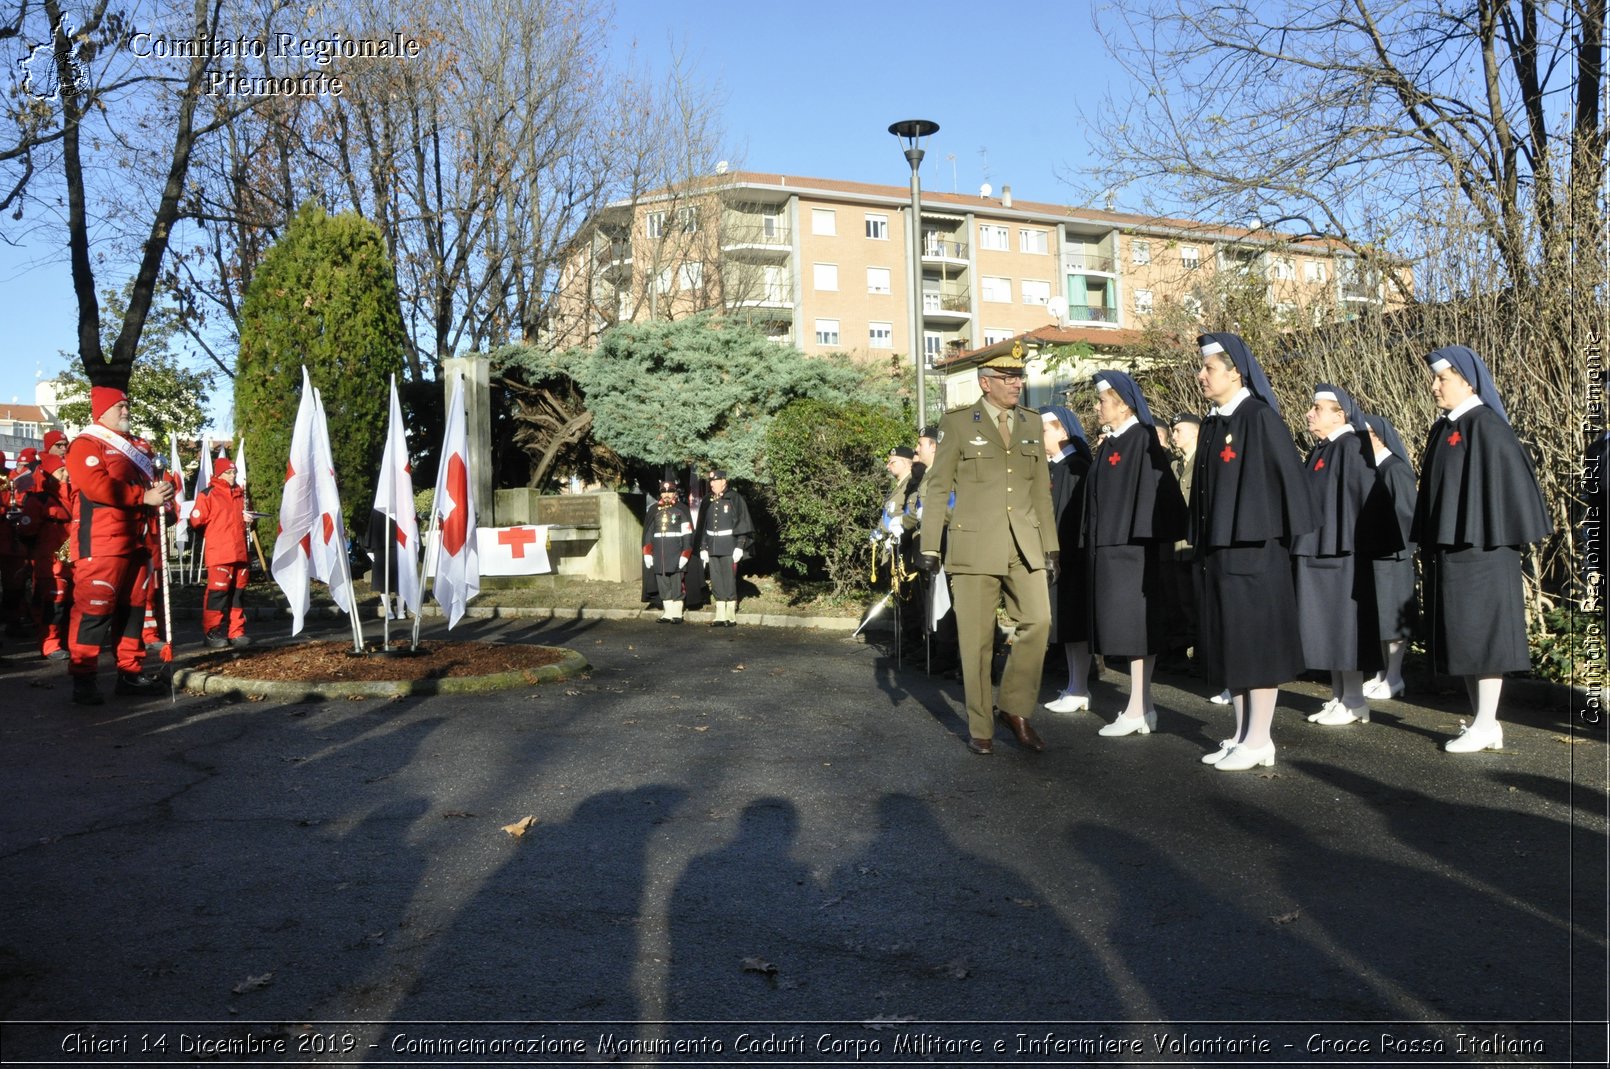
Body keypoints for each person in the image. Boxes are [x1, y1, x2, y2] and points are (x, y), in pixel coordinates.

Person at [917, 347, 1059, 755]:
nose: (1018, 383)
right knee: (976, 641)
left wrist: (1051, 548)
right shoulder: (958, 424)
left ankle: (1014, 708)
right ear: (986, 382)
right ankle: (981, 725)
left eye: (1020, 376)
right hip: (974, 544)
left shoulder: (1031, 423)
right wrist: (930, 544)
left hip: (1024, 543)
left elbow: (1040, 494)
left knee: (1038, 622)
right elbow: (939, 486)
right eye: (1008, 376)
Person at [1412, 345, 1551, 753]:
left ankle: (1487, 722)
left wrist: (1483, 531)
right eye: (1435, 378)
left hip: (1484, 549)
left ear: (1468, 381)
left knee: (1484, 637)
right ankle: (1482, 722)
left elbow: (1507, 489)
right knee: (1465, 637)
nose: (1434, 386)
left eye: (1443, 379)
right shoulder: (1446, 426)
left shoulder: (1486, 424)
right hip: (1457, 550)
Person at [1190, 334, 1317, 771]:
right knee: (1233, 645)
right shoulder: (1214, 422)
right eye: (1202, 367)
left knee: (1257, 646)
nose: (1201, 375)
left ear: (1235, 372)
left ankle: (1260, 738)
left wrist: (1270, 536)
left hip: (1256, 553)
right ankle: (1242, 733)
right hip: (1223, 552)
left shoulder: (1259, 417)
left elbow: (1290, 484)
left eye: (1209, 369)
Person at [1084, 371, 1188, 737]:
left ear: (1124, 404)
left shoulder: (1140, 438)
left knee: (1136, 631)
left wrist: (1140, 539)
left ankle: (1138, 708)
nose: (1098, 407)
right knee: (1125, 631)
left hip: (1133, 551)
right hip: (1113, 549)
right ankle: (1142, 708)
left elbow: (1160, 496)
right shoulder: (1113, 441)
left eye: (1102, 401)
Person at [63, 386, 175, 704]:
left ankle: (129, 673)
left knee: (133, 611)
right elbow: (97, 486)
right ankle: (83, 679)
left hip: (136, 540)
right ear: (101, 412)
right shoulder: (86, 443)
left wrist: (160, 489)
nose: (126, 411)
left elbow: (141, 485)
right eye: (119, 407)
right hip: (101, 544)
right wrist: (144, 496)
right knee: (93, 612)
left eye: (127, 406)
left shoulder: (132, 447)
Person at [1293, 384, 1383, 727]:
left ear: (1340, 414)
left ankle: (1355, 699)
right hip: (1319, 549)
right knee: (1327, 627)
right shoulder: (1322, 449)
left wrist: (1351, 543)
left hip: (1342, 553)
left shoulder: (1351, 445)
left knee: (1344, 627)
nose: (1309, 413)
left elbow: (1363, 500)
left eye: (1318, 408)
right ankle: (1339, 696)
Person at [1360, 412, 1417, 700]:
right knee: (1380, 619)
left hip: (1393, 556)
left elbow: (1406, 514)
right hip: (1376, 555)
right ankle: (1382, 674)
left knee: (1393, 620)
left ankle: (1394, 676)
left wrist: (1393, 546)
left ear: (1379, 437)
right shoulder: (1373, 469)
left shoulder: (1395, 469)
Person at [1039, 404, 1092, 713]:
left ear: (1062, 430)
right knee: (1066, 626)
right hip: (1060, 557)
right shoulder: (1057, 467)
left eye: (1044, 430)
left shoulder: (1076, 468)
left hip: (1072, 557)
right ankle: (1074, 684)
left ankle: (1080, 687)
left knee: (1074, 624)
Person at [187, 456, 251, 648]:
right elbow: (196, 521)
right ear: (219, 474)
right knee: (217, 593)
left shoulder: (240, 494)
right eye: (229, 472)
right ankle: (211, 632)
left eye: (234, 473)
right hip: (220, 552)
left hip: (240, 551)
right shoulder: (209, 494)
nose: (233, 476)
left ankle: (236, 632)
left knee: (238, 593)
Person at [19, 454, 73, 659]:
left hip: (72, 561)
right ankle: (50, 644)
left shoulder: (75, 496)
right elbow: (27, 531)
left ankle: (66, 642)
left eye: (67, 470)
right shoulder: (38, 500)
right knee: (53, 606)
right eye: (61, 471)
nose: (66, 475)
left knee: (69, 605)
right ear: (49, 475)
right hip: (51, 562)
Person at [1162, 413, 1202, 665]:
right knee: (1177, 599)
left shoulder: (1202, 462)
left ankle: (1202, 652)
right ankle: (1178, 650)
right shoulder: (1175, 465)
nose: (1174, 436)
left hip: (1194, 542)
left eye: (1178, 431)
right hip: (1174, 544)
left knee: (1196, 599)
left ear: (1195, 432)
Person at [696, 468, 753, 627]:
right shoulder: (708, 500)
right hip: (712, 547)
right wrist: (703, 548)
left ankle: (730, 614)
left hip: (729, 546)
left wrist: (740, 546)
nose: (712, 484)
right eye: (711, 481)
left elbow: (743, 524)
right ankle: (720, 614)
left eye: (715, 481)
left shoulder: (734, 498)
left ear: (724, 481)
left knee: (728, 578)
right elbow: (703, 527)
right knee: (715, 579)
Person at [644, 478, 693, 623]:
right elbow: (648, 534)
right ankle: (668, 612)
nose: (667, 494)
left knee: (677, 584)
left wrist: (685, 553)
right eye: (664, 491)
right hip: (659, 556)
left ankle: (677, 613)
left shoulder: (680, 511)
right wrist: (647, 553)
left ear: (675, 493)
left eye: (670, 491)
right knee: (663, 584)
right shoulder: (654, 511)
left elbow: (687, 534)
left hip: (676, 554)